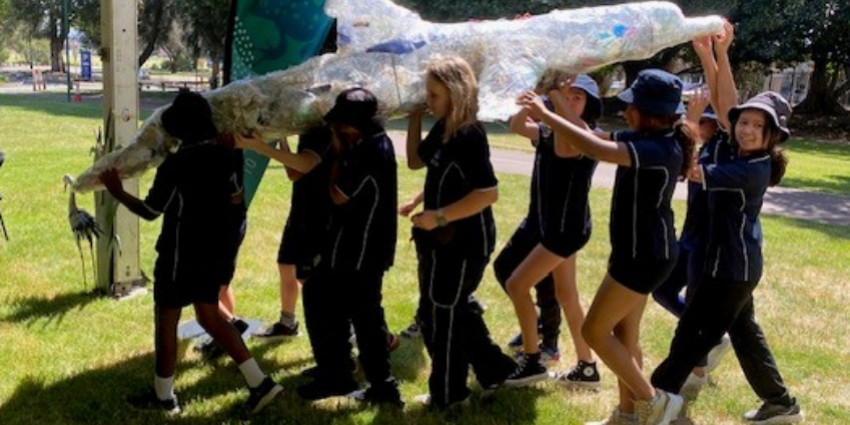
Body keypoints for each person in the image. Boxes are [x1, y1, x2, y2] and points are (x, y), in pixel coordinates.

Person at [518, 68, 696, 425]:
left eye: (631, 105)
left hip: (642, 258)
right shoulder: (648, 136)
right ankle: (627, 416)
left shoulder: (657, 147)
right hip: (640, 253)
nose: (625, 110)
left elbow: (595, 148)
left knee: (593, 332)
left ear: (646, 112)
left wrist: (546, 114)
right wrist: (554, 94)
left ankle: (655, 401)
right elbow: (587, 133)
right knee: (625, 336)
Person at [650, 22, 803, 425]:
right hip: (733, 265)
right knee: (744, 334)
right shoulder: (742, 149)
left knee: (689, 340)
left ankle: (649, 407)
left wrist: (691, 124)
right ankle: (781, 404)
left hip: (728, 270)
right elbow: (728, 103)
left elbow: (696, 171)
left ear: (771, 136)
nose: (747, 128)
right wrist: (716, 53)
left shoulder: (753, 168)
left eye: (758, 126)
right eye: (745, 123)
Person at [99, 90, 282, 415]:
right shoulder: (230, 151)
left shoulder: (177, 163)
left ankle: (164, 397)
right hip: (216, 250)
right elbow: (236, 199)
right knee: (209, 316)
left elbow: (151, 211)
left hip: (181, 253)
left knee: (167, 321)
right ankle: (260, 384)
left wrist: (117, 192)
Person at [251, 87, 402, 405]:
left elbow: (338, 194)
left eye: (341, 125)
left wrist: (336, 153)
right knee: (323, 298)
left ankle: (377, 386)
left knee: (364, 317)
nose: (337, 129)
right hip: (349, 244)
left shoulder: (371, 150)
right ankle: (337, 370)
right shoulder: (366, 143)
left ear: (356, 125)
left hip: (362, 250)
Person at [405, 55, 517, 408]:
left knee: (445, 315)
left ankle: (450, 395)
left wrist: (439, 216)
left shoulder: (469, 134)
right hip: (438, 239)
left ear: (456, 92)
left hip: (465, 242)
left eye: (434, 94)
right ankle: (496, 369)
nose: (429, 100)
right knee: (438, 309)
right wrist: (414, 118)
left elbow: (487, 193)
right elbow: (415, 161)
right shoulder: (443, 126)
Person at [496, 72, 601, 389]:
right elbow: (516, 125)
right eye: (568, 95)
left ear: (590, 105)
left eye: (577, 97)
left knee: (516, 284)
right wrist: (535, 91)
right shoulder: (547, 129)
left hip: (564, 231)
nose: (570, 100)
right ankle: (587, 367)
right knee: (567, 296)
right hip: (552, 226)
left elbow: (567, 147)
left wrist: (554, 96)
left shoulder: (586, 135)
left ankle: (532, 360)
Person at [246, 126, 335, 341]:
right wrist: (282, 136)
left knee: (318, 280)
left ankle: (349, 331)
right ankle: (287, 324)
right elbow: (294, 173)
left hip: (321, 213)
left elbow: (306, 163)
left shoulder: (322, 130)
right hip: (302, 210)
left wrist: (260, 147)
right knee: (286, 265)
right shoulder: (308, 131)